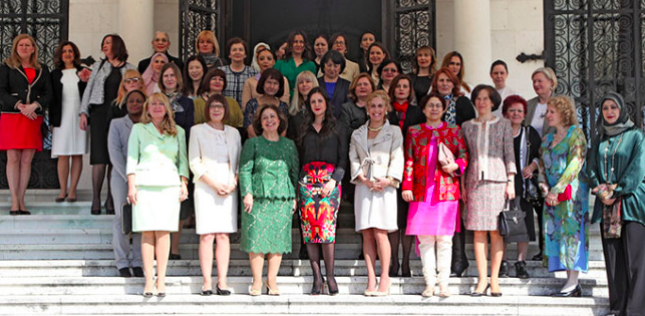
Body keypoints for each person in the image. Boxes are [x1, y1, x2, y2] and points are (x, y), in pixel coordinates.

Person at [403, 93, 468, 297]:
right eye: (430, 105)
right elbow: (409, 160)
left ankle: (444, 284)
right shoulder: (414, 132)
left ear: (444, 108)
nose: (434, 109)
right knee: (425, 240)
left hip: (447, 191)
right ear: (423, 109)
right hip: (422, 192)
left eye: (438, 106)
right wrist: (406, 185)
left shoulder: (453, 130)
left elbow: (464, 155)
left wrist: (456, 165)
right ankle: (429, 282)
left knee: (445, 239)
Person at [587, 92, 645, 315]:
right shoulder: (600, 139)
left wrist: (616, 190)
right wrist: (600, 189)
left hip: (632, 204)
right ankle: (618, 306)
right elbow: (590, 169)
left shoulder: (636, 136)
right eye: (605, 108)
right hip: (607, 205)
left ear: (622, 110)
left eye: (613, 107)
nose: (609, 112)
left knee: (635, 260)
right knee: (613, 259)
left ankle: (636, 309)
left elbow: (638, 168)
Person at [126, 92, 189, 297]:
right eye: (153, 104)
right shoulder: (138, 129)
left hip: (169, 186)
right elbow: (132, 158)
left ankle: (161, 279)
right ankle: (148, 280)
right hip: (144, 185)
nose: (157, 107)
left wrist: (183, 183)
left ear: (167, 108)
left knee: (163, 233)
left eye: (160, 104)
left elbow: (183, 160)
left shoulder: (177, 131)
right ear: (147, 108)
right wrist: (131, 186)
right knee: (147, 233)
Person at [239, 104, 299, 296]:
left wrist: (294, 196)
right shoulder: (252, 144)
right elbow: (245, 169)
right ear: (260, 122)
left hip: (282, 197)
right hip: (257, 197)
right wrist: (247, 192)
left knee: (277, 239)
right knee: (257, 238)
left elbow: (295, 172)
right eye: (265, 117)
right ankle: (257, 280)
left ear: (280, 121)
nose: (269, 120)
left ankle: (271, 280)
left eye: (273, 116)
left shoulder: (289, 145)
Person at [462, 85, 516, 297]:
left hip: (497, 181)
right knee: (478, 231)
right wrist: (462, 185)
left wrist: (510, 181)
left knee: (495, 231)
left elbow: (509, 153)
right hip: (474, 182)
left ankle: (494, 279)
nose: (482, 102)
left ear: (493, 102)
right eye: (478, 98)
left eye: (486, 99)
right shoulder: (467, 126)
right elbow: (464, 157)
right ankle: (481, 278)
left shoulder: (503, 124)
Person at [349, 90, 404, 296]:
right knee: (367, 233)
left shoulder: (395, 132)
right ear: (367, 108)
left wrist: (388, 180)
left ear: (386, 108)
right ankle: (371, 278)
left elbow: (397, 157)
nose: (377, 110)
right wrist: (361, 177)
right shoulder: (357, 133)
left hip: (384, 187)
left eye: (380, 106)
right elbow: (353, 157)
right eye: (373, 106)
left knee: (381, 232)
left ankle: (385, 278)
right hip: (364, 186)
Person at [297, 87, 348, 295]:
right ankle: (317, 277)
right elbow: (300, 158)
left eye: (320, 101)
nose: (317, 105)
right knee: (309, 232)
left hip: (330, 181)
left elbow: (343, 158)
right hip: (307, 183)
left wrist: (334, 180)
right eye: (313, 102)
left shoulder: (339, 127)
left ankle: (331, 275)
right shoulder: (303, 128)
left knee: (326, 230)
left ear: (326, 103)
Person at [189, 95, 242, 296]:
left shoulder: (234, 133)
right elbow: (194, 161)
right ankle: (206, 282)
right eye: (213, 106)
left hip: (229, 188)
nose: (217, 109)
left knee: (223, 235)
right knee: (207, 235)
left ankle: (222, 281)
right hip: (205, 187)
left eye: (220, 106)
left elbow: (238, 161)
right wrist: (213, 183)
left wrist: (233, 183)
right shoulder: (197, 130)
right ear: (207, 109)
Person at [538, 95, 588, 296]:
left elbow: (575, 164)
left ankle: (573, 281)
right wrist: (543, 184)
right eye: (547, 112)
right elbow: (541, 163)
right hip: (551, 195)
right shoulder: (547, 138)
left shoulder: (576, 134)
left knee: (571, 232)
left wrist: (557, 190)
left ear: (563, 113)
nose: (548, 115)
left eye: (552, 111)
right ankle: (568, 279)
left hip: (570, 195)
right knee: (556, 233)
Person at [80, 34, 135, 215]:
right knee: (99, 158)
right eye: (103, 43)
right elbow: (88, 89)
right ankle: (96, 198)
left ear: (117, 45)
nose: (104, 46)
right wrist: (83, 112)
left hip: (120, 114)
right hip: (99, 114)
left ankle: (111, 198)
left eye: (108, 43)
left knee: (115, 157)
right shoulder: (99, 66)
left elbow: (136, 92)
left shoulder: (130, 68)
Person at [430, 67, 475, 277]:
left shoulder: (462, 103)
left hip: (456, 165)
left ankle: (459, 258)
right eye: (441, 80)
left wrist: (459, 164)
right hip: (432, 168)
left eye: (448, 80)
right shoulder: (430, 103)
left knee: (455, 214)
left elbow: (467, 135)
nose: (444, 84)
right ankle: (444, 259)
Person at [0, 34, 52, 215]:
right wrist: (19, 106)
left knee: (27, 159)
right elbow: (2, 91)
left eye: (27, 45)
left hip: (32, 117)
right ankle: (14, 201)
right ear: (15, 48)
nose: (24, 48)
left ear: (33, 49)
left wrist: (35, 105)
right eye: (20, 45)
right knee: (13, 157)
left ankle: (22, 200)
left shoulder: (43, 69)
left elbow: (48, 94)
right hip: (12, 115)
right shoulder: (7, 67)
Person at [387, 74, 425, 277]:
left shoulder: (417, 112)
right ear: (392, 89)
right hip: (389, 169)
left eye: (405, 86)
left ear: (410, 91)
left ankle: (406, 261)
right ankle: (394, 261)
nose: (402, 89)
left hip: (411, 170)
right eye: (398, 86)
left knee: (407, 219)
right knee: (394, 219)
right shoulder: (385, 110)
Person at [500, 95, 541, 278]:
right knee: (501, 223)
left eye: (519, 111)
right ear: (505, 113)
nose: (516, 114)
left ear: (524, 114)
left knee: (523, 223)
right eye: (512, 110)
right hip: (502, 183)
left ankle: (520, 262)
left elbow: (540, 154)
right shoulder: (499, 131)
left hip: (523, 185)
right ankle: (502, 262)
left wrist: (531, 167)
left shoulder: (529, 132)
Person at [158, 62, 196, 260]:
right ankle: (160, 247)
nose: (169, 79)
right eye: (166, 76)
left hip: (179, 155)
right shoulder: (156, 101)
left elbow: (189, 130)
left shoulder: (187, 103)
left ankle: (174, 248)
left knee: (177, 205)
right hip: (159, 159)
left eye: (172, 75)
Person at [107, 89, 145, 278]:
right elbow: (114, 153)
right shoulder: (117, 124)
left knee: (140, 219)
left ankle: (138, 262)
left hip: (145, 178)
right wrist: (130, 177)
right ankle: (122, 261)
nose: (135, 104)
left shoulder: (148, 125)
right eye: (131, 101)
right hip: (121, 177)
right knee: (122, 217)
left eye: (139, 101)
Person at [524, 66, 557, 261]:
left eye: (540, 81)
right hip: (533, 164)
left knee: (552, 207)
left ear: (551, 83)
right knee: (539, 207)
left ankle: (552, 249)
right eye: (534, 81)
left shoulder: (561, 103)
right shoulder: (529, 105)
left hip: (552, 162)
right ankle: (543, 248)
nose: (536, 85)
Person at [50, 41, 89, 203]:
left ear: (75, 54)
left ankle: (72, 190)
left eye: (70, 51)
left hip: (80, 116)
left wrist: (86, 114)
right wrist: (52, 121)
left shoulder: (84, 72)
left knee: (77, 153)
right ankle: (62, 190)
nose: (68, 54)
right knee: (63, 153)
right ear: (60, 55)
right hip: (61, 117)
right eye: (64, 51)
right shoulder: (55, 74)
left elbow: (88, 95)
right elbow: (52, 99)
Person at [243, 68, 289, 137]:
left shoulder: (283, 106)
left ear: (280, 86)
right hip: (255, 144)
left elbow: (284, 130)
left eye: (275, 83)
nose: (272, 86)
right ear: (262, 83)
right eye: (269, 82)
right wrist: (261, 145)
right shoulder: (252, 104)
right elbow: (250, 129)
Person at [275, 31, 316, 99]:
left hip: (303, 100)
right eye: (295, 42)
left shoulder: (311, 65)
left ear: (305, 45)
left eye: (301, 42)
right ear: (290, 44)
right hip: (283, 99)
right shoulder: (280, 63)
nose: (298, 44)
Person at [218, 37, 258, 105]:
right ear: (229, 54)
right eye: (234, 50)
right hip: (226, 112)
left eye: (241, 50)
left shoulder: (255, 72)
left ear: (245, 54)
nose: (237, 52)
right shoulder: (220, 71)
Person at [317, 50, 350, 118]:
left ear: (341, 67)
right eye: (329, 65)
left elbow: (348, 108)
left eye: (335, 66)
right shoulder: (316, 83)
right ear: (323, 66)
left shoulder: (347, 85)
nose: (332, 69)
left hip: (341, 124)